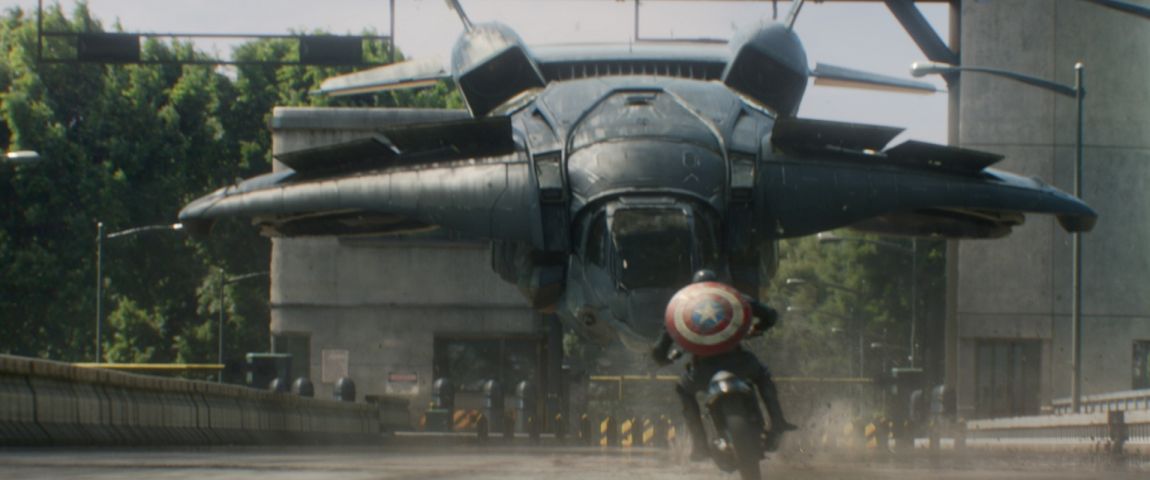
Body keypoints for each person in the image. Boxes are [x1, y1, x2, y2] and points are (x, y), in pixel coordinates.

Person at [651, 269, 797, 460]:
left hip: (702, 371)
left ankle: (700, 445)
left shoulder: (682, 307)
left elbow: (659, 350)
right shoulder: (735, 298)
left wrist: (664, 360)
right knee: (762, 375)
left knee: (683, 390)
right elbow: (770, 315)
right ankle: (777, 421)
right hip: (740, 363)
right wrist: (757, 327)